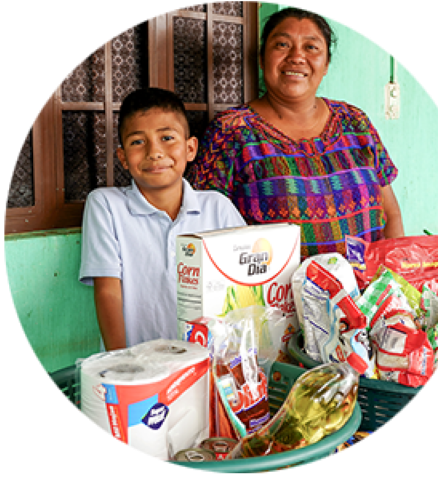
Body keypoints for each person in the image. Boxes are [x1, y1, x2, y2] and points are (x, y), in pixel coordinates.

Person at [187, 7, 404, 260]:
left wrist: (393, 283)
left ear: (326, 65)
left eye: (311, 47)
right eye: (282, 44)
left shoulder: (355, 122)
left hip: (366, 295)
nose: (297, 57)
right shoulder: (231, 132)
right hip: (272, 298)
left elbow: (391, 214)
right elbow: (200, 226)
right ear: (261, 59)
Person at [79, 88, 246, 351]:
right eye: (137, 142)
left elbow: (244, 287)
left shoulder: (217, 208)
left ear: (190, 149)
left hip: (206, 365)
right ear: (123, 158)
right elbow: (108, 291)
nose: (154, 152)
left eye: (167, 137)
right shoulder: (106, 205)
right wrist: (122, 363)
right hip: (137, 367)